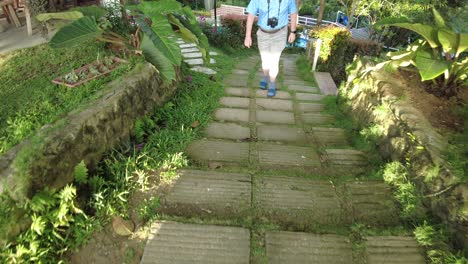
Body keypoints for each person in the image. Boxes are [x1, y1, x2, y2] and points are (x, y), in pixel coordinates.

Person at [244, 0, 298, 97]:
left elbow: (293, 13)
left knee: (274, 60)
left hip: (280, 33)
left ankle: (272, 84)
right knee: (265, 60)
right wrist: (248, 36)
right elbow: (251, 15)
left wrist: (293, 32)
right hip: (263, 34)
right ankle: (265, 77)